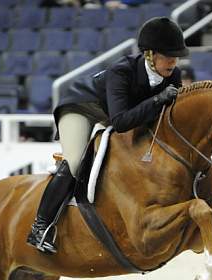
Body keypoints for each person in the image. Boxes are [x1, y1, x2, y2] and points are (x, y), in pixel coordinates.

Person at [27, 17, 188, 254]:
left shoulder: (173, 74)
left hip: (112, 111)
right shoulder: (121, 72)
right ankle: (40, 227)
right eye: (167, 55)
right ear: (150, 54)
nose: (173, 61)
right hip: (81, 108)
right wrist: (156, 100)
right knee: (75, 162)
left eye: (176, 55)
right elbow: (121, 122)